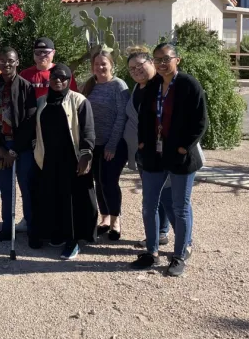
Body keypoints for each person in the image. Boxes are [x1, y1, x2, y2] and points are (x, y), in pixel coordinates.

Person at [132, 43, 207, 277]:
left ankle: (179, 255)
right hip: (154, 155)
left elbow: (200, 121)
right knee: (149, 205)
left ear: (178, 60)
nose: (162, 63)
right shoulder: (152, 85)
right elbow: (143, 116)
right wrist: (143, 143)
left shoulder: (188, 85)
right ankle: (152, 252)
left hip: (181, 157)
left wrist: (184, 147)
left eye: (166, 59)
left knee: (180, 207)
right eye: (157, 60)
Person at [30, 64, 96, 259]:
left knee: (72, 201)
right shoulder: (42, 101)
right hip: (49, 159)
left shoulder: (79, 101)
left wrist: (86, 155)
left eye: (63, 78)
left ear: (69, 80)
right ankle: (57, 234)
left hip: (72, 160)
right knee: (53, 197)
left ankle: (72, 241)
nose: (58, 81)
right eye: (54, 78)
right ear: (48, 80)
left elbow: (88, 131)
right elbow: (35, 130)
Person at [0, 47, 37, 245]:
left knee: (27, 188)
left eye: (10, 61)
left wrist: (14, 151)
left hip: (22, 147)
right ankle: (6, 229)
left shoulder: (27, 87)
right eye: (3, 60)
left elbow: (30, 121)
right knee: (6, 189)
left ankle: (33, 230)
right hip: (0, 146)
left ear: (17, 62)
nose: (6, 64)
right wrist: (0, 149)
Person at [123, 47, 172, 248]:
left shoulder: (161, 86)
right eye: (131, 69)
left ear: (151, 63)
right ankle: (158, 233)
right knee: (152, 196)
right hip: (143, 153)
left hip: (161, 151)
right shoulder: (138, 88)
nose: (136, 71)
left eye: (140, 66)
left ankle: (173, 237)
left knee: (168, 195)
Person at [81, 49, 129, 241]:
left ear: (111, 65)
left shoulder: (119, 86)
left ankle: (116, 220)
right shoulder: (90, 85)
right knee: (98, 182)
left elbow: (121, 116)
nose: (100, 67)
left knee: (109, 181)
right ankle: (105, 218)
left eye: (104, 64)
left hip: (114, 145)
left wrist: (112, 144)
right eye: (96, 64)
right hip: (95, 144)